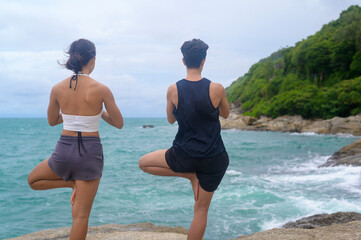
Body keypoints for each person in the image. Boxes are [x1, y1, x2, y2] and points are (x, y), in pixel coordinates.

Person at [27, 39, 123, 240]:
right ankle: (75, 184)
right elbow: (118, 122)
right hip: (90, 153)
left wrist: (71, 116)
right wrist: (99, 113)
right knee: (80, 217)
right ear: (93, 60)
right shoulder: (102, 89)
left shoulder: (57, 88)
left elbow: (52, 121)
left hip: (64, 150)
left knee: (33, 180)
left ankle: (70, 184)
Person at [139, 39, 230, 240]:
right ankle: (191, 176)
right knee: (201, 211)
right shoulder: (217, 88)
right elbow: (225, 114)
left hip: (184, 155)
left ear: (183, 61)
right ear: (204, 61)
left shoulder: (173, 89)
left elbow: (171, 119)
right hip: (214, 157)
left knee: (143, 163)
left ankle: (189, 175)